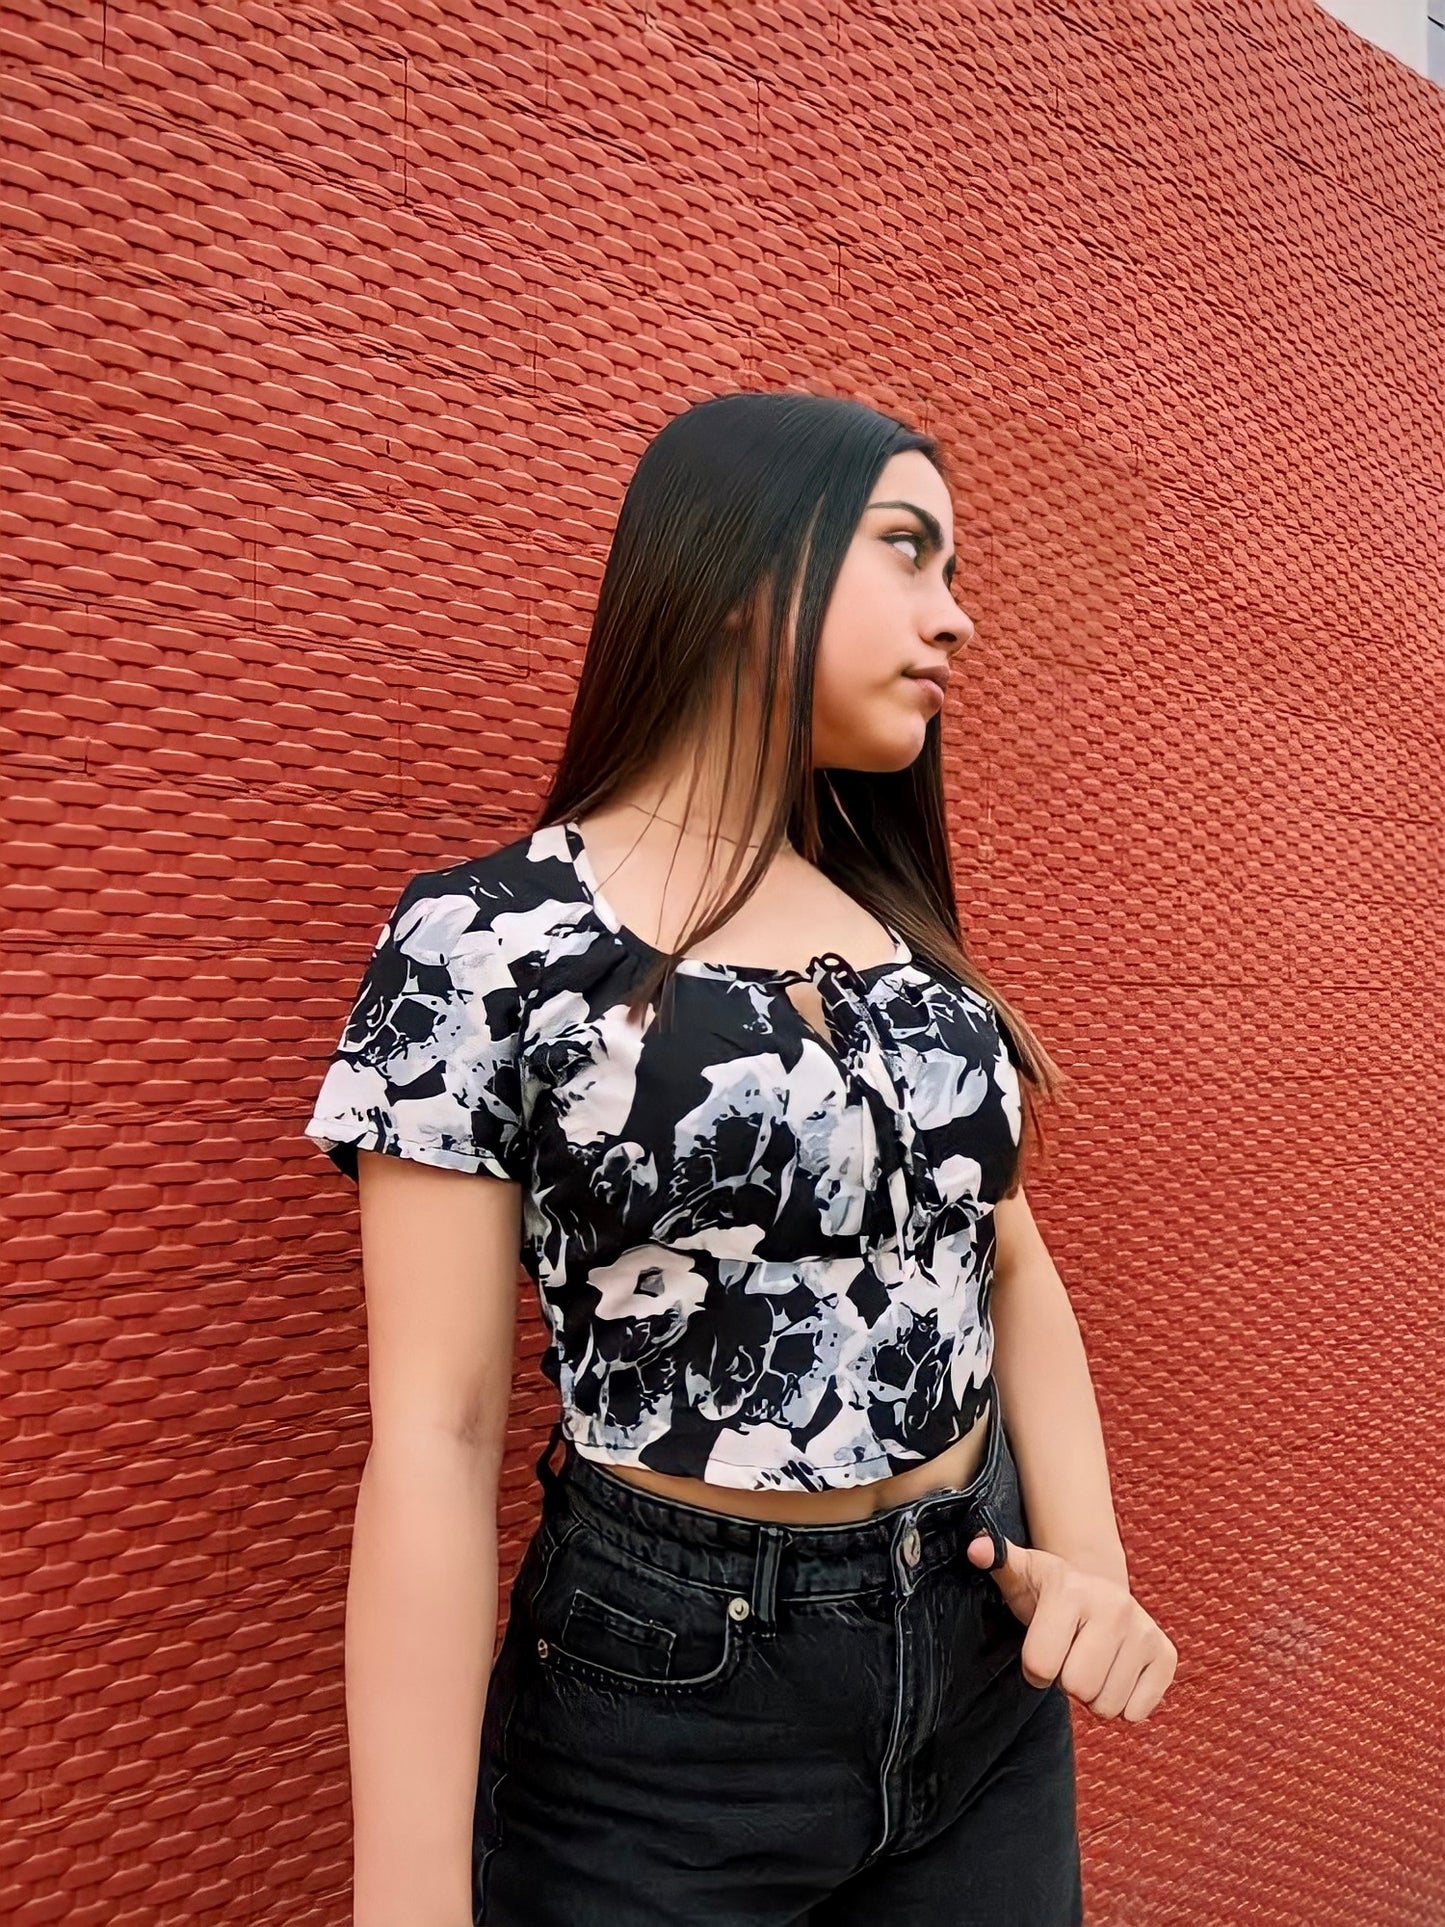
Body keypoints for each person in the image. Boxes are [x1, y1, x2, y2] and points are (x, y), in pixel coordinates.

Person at [302, 389, 1178, 1927]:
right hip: (666, 1711)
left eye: (952, 567)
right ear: (731, 568)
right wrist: (411, 1891)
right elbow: (434, 1433)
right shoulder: (490, 943)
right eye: (906, 551)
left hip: (979, 1674)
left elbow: (1005, 1255)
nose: (955, 618)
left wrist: (1086, 1557)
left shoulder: (899, 939)